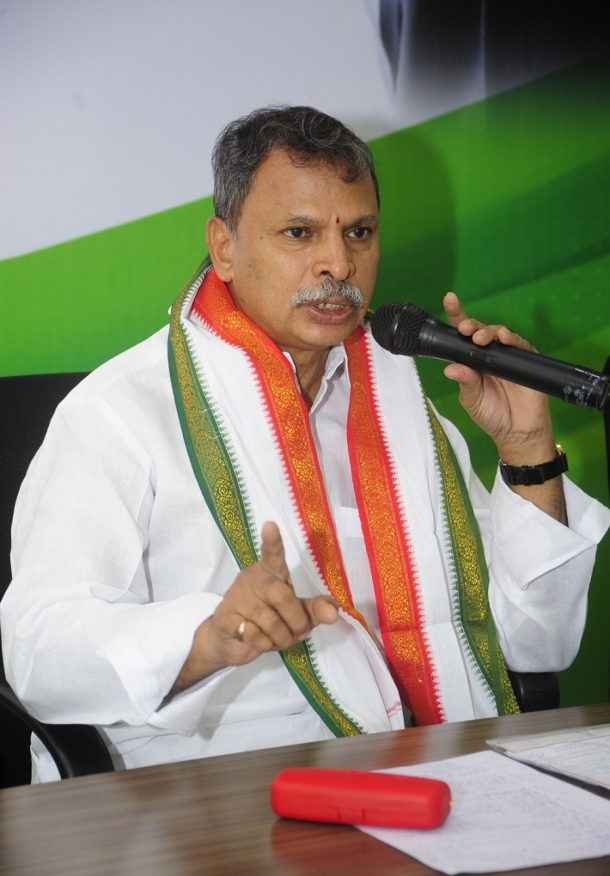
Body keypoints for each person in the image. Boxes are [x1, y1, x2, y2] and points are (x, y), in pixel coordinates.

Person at [2, 106, 609, 783]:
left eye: (359, 232)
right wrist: (206, 638)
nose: (338, 263)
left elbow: (538, 646)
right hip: (218, 792)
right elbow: (37, 651)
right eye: (300, 233)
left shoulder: (400, 400)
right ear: (225, 247)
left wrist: (526, 448)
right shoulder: (121, 411)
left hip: (438, 777)